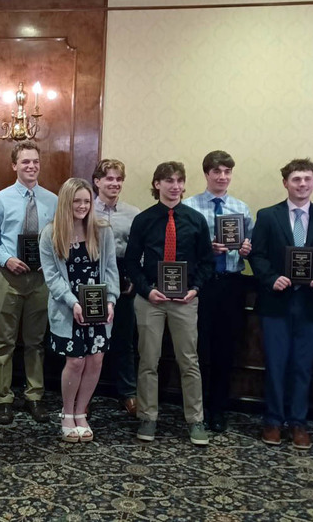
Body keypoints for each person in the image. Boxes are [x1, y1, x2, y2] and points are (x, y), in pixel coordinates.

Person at [250, 158, 313, 449]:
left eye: (307, 179)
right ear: (285, 183)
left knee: (303, 366)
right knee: (276, 364)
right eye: (296, 179)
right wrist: (270, 277)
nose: (302, 184)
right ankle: (273, 421)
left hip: (312, 305)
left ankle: (299, 423)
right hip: (276, 303)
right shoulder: (267, 216)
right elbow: (258, 255)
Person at [124, 161, 214, 445]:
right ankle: (148, 417)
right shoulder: (144, 219)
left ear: (184, 185)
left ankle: (196, 420)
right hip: (150, 300)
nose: (174, 186)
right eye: (168, 180)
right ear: (157, 184)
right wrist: (147, 290)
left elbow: (207, 263)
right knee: (148, 360)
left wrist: (195, 289)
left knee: (189, 361)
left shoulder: (196, 220)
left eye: (179, 181)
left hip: (185, 301)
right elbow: (130, 263)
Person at [40, 178, 119, 442]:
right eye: (77, 201)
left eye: (86, 201)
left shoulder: (102, 231)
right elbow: (52, 278)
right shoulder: (50, 233)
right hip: (68, 308)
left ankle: (81, 411)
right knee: (75, 361)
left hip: (98, 308)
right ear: (66, 202)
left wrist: (111, 301)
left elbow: (110, 270)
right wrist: (73, 302)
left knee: (96, 359)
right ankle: (67, 413)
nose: (83, 206)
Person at [0, 141, 58, 424]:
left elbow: (57, 239)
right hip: (9, 277)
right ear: (14, 165)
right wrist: (6, 260)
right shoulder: (0, 200)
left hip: (41, 280)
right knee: (4, 341)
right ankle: (3, 397)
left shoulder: (52, 200)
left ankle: (34, 395)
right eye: (25, 161)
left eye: (35, 161)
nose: (31, 166)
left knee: (35, 342)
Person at [183, 150, 253, 433]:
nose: (222, 177)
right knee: (198, 350)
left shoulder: (241, 208)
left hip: (232, 284)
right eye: (217, 172)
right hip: (201, 285)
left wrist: (248, 249)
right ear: (206, 174)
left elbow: (254, 250)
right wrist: (205, 249)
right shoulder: (189, 206)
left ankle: (219, 409)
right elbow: (182, 250)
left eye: (227, 172)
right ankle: (196, 409)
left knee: (226, 349)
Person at [92, 159, 140, 416]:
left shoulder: (133, 213)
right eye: (109, 178)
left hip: (123, 277)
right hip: (92, 275)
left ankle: (127, 393)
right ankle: (85, 394)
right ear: (97, 181)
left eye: (119, 179)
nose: (115, 183)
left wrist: (133, 277)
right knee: (91, 338)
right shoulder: (86, 209)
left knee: (124, 338)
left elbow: (137, 250)